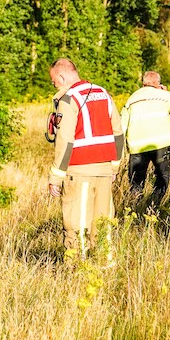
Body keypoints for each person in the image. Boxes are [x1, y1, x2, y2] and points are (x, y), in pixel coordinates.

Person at [47, 58, 124, 259]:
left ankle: (77, 272)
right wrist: (114, 167)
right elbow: (118, 132)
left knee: (76, 225)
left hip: (79, 172)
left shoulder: (69, 99)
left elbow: (65, 140)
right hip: (105, 171)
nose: (53, 84)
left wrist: (55, 177)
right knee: (103, 225)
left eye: (54, 80)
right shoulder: (103, 93)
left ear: (62, 77)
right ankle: (105, 267)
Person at [122, 71, 170, 204]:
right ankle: (156, 205)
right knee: (162, 177)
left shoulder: (132, 98)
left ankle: (135, 206)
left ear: (143, 83)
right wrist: (168, 93)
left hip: (137, 148)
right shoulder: (165, 95)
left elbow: (121, 126)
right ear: (158, 83)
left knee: (136, 182)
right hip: (161, 145)